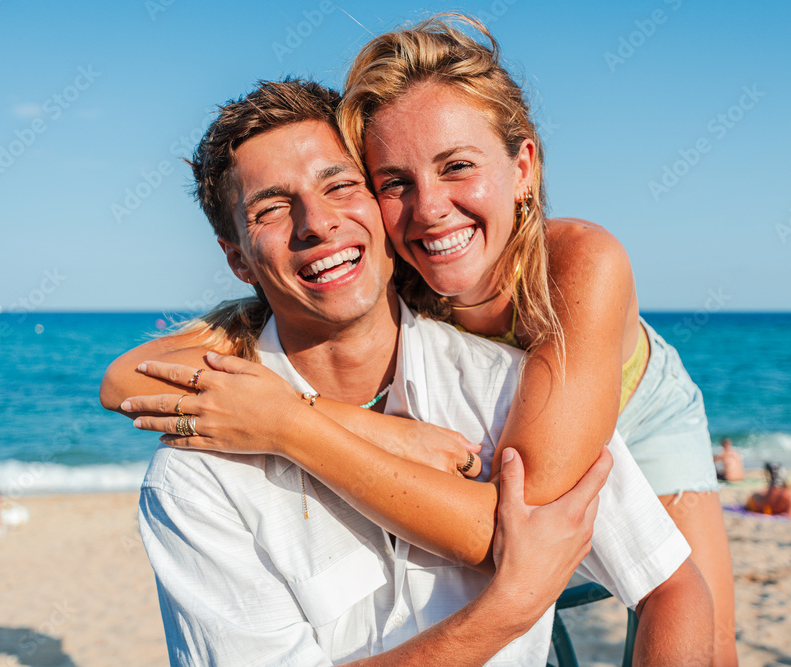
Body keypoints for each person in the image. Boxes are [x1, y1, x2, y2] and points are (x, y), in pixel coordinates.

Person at [101, 79, 713, 664]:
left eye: (339, 186)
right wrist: (508, 608)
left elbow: (665, 583)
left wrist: (300, 422)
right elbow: (122, 379)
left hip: (648, 400)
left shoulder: (516, 387)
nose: (317, 224)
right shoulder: (196, 475)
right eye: (273, 209)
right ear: (238, 259)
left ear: (377, 207)